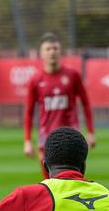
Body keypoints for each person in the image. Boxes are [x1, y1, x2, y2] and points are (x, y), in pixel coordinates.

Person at [23, 32, 94, 161]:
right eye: (48, 49)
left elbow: (85, 103)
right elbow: (29, 112)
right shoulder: (35, 80)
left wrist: (90, 132)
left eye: (55, 48)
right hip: (46, 138)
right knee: (50, 179)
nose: (52, 52)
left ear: (60, 51)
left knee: (72, 177)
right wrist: (27, 140)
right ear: (41, 53)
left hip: (71, 136)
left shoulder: (73, 76)